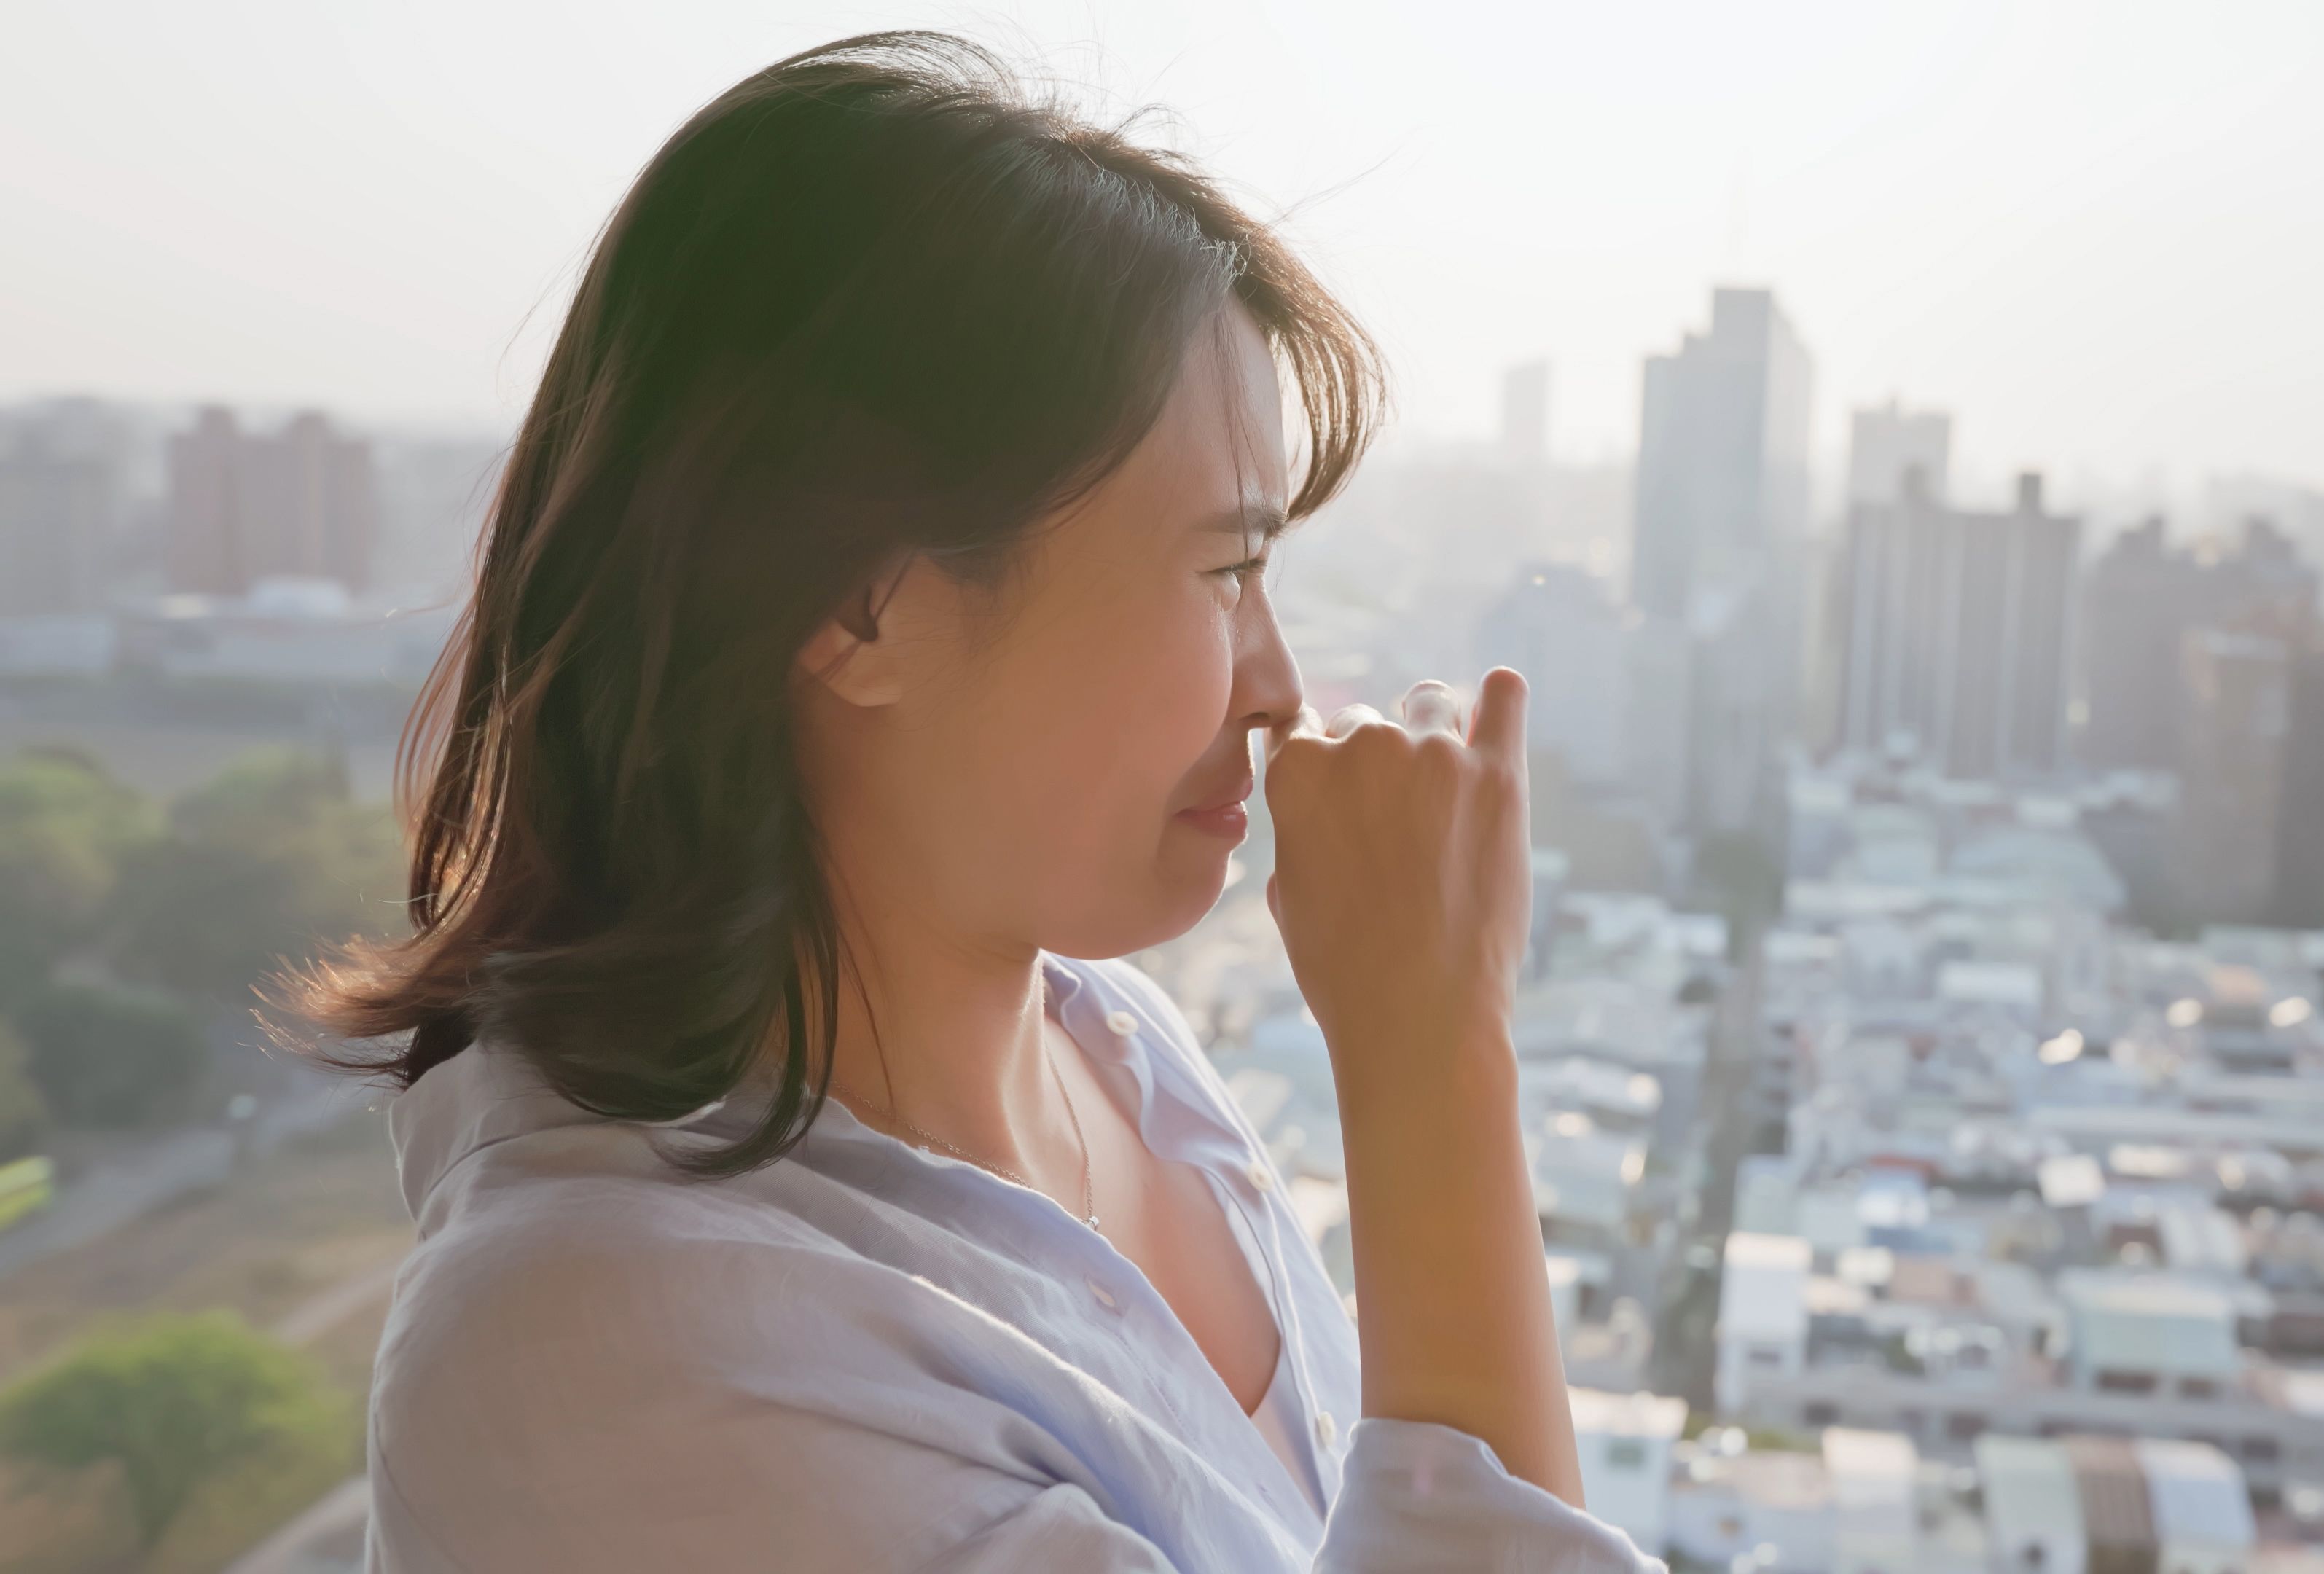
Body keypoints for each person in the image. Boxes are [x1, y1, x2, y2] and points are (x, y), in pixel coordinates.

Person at [305, 32, 1660, 1571]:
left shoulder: (1120, 1053)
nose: (1279, 686)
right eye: (1223, 570)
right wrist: (1431, 1068)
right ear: (862, 604)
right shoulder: (603, 1346)